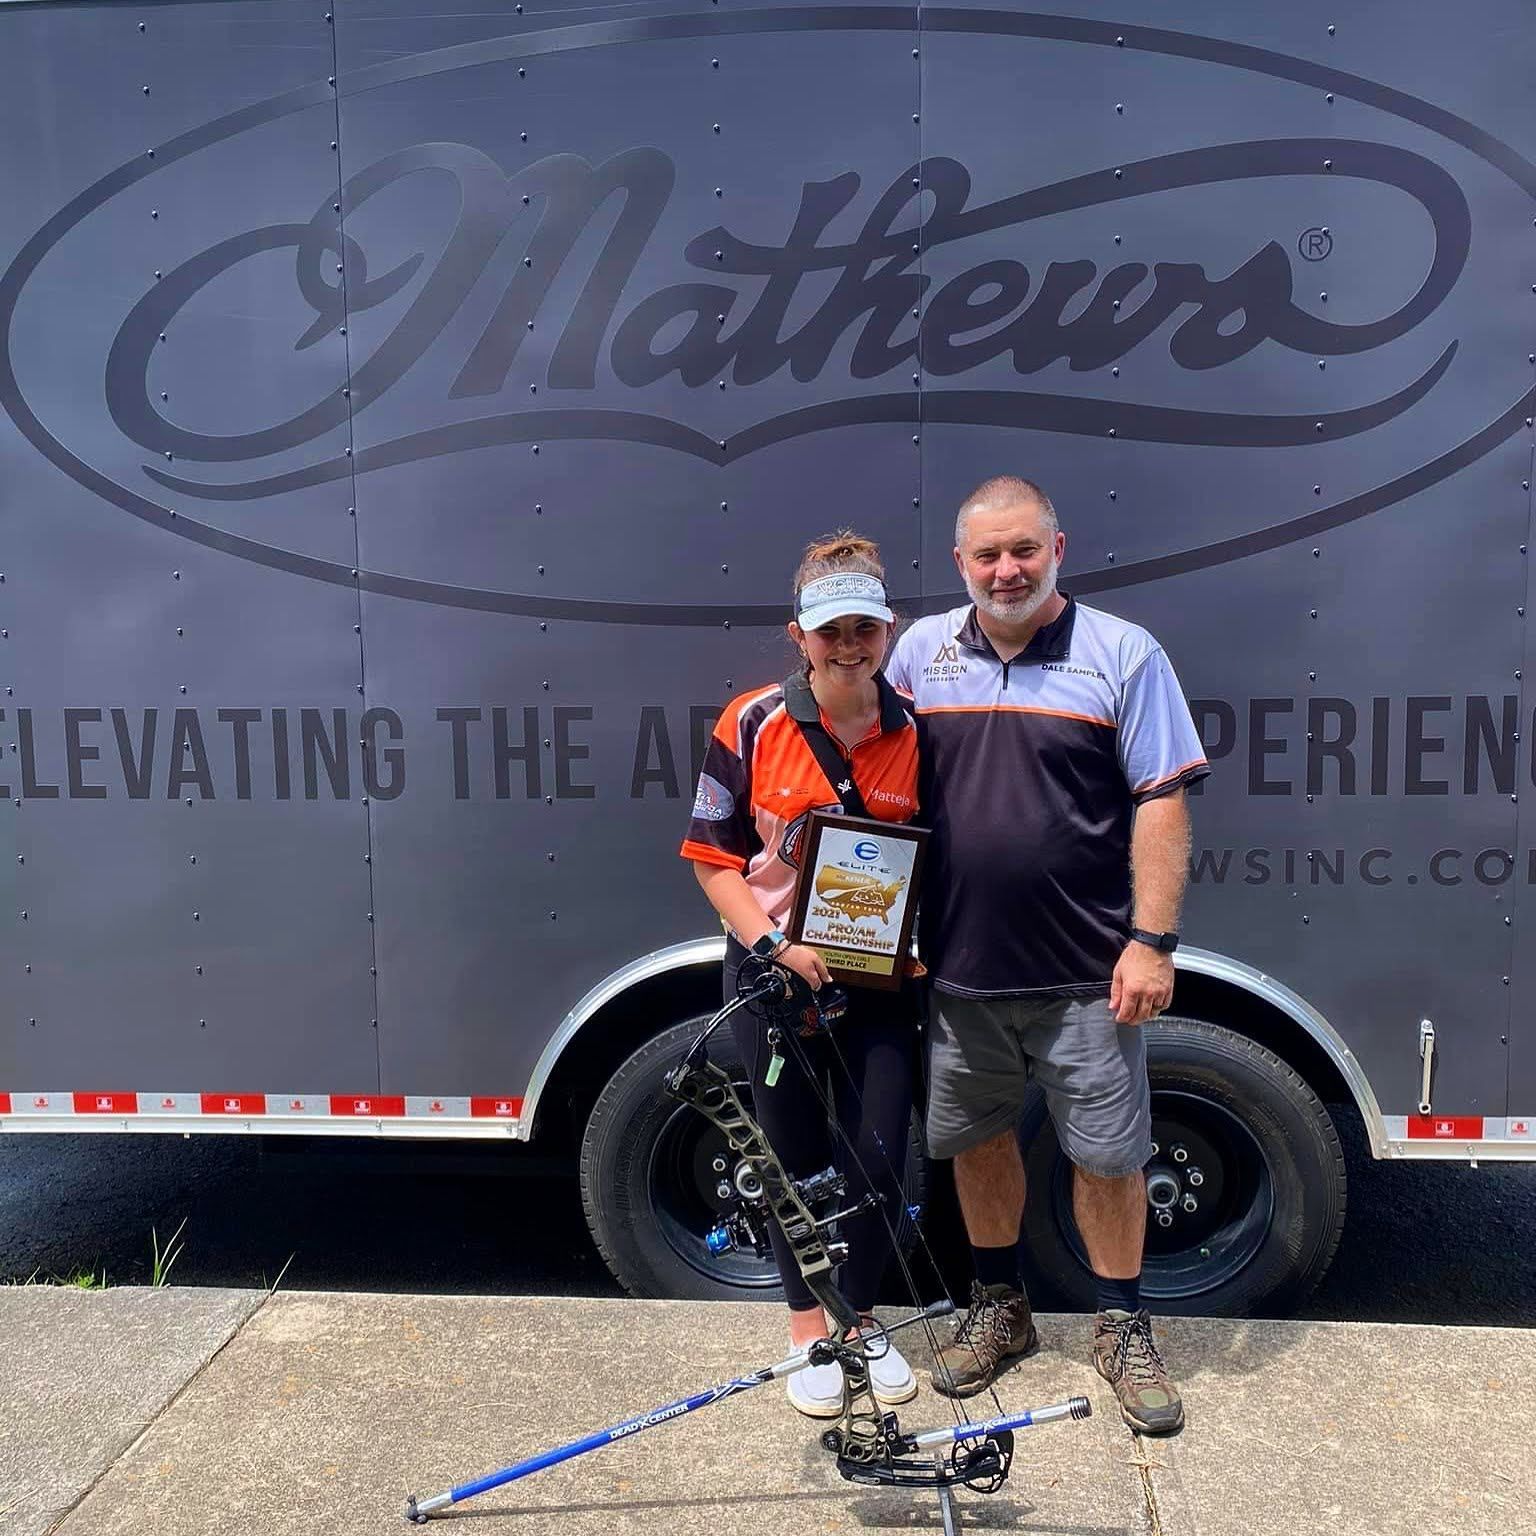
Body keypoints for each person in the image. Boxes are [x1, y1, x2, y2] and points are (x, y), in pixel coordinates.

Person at [883, 476, 1209, 1435]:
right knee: (977, 1141)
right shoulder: (919, 653)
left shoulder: (1122, 653)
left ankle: (1120, 1326)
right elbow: (872, 782)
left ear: (1058, 547)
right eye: (987, 555)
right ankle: (1001, 1312)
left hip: (1088, 973)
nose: (1007, 570)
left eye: (1024, 550)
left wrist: (1151, 942)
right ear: (959, 564)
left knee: (1107, 1158)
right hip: (955, 969)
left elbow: (1162, 798)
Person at [681, 531, 925, 1419]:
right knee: (792, 1162)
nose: (849, 645)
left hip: (879, 986)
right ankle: (807, 1333)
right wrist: (775, 948)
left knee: (877, 1158)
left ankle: (859, 1320)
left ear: (889, 630)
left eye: (865, 626)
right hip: (771, 980)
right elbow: (713, 860)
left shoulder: (915, 732)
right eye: (831, 631)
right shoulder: (750, 722)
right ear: (800, 636)